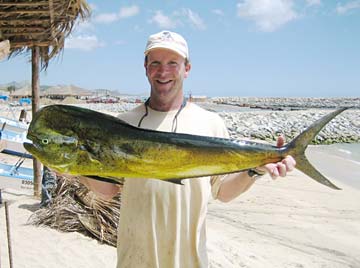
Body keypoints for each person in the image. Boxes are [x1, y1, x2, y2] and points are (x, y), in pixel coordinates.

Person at [80, 30, 296, 268]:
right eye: (156, 63)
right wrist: (74, 170)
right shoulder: (122, 124)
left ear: (187, 68)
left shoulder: (210, 124)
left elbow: (223, 192)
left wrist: (255, 170)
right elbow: (110, 188)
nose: (163, 72)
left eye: (173, 63)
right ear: (145, 67)